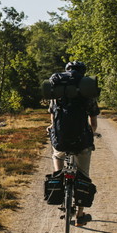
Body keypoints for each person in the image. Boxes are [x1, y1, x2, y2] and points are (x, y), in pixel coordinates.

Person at [48, 61, 99, 224]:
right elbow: (93, 120)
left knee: (57, 155)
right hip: (81, 141)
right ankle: (80, 215)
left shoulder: (57, 92)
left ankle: (59, 176)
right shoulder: (87, 92)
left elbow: (53, 116)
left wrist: (51, 128)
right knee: (83, 174)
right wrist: (93, 132)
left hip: (61, 140)